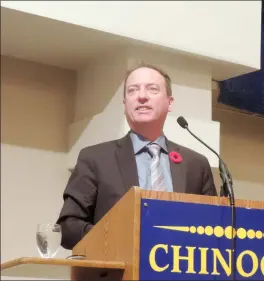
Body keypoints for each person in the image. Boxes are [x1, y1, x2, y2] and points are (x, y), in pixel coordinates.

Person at [56, 63, 217, 250]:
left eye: (152, 89)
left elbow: (212, 229)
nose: (141, 96)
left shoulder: (196, 164)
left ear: (169, 102)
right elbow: (68, 227)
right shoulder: (95, 159)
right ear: (125, 105)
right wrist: (118, 239)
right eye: (132, 90)